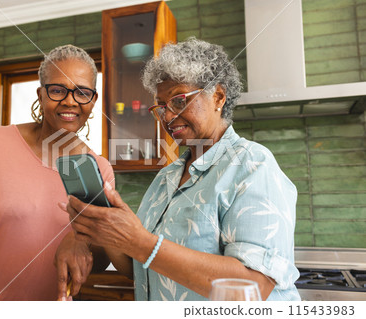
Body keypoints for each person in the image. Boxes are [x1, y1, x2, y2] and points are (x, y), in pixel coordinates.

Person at [62, 38, 301, 301]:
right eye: (161, 107)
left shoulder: (252, 165)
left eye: (178, 101)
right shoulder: (167, 176)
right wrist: (106, 228)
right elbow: (140, 267)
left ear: (218, 97)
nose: (166, 117)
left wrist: (138, 241)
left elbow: (253, 287)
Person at [0, 44, 114, 301]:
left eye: (82, 93)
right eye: (57, 90)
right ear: (41, 94)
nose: (69, 101)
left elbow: (100, 258)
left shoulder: (100, 169)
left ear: (93, 100)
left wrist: (82, 244)